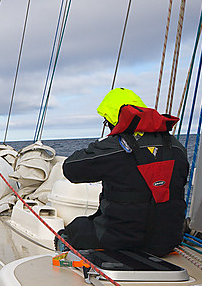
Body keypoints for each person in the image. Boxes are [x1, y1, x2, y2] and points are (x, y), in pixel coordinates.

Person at [58, 87, 189, 257]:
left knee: (75, 229)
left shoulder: (115, 147)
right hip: (167, 240)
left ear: (113, 120)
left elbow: (70, 169)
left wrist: (101, 144)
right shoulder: (177, 147)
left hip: (119, 240)